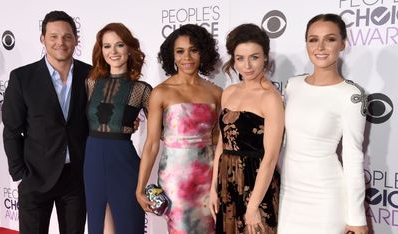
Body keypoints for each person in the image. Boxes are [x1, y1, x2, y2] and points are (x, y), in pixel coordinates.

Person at [278, 14, 368, 234]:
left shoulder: (352, 95)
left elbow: (353, 157)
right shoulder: (293, 85)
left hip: (326, 196)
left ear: (343, 44)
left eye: (330, 39)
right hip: (287, 194)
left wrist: (357, 218)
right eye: (313, 39)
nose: (320, 46)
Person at [2, 10, 91, 233]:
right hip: (35, 177)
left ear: (76, 40)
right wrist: (20, 174)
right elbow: (12, 130)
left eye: (67, 36)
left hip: (76, 179)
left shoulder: (90, 75)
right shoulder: (22, 77)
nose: (60, 42)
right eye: (53, 36)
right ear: (43, 39)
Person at [136, 24, 222, 233]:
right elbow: (152, 144)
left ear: (203, 52)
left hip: (208, 178)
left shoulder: (216, 92)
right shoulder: (161, 92)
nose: (187, 57)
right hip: (175, 180)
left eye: (194, 50)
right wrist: (140, 188)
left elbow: (220, 140)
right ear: (172, 56)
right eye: (180, 51)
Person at [209, 24, 283, 234]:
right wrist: (213, 188)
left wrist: (253, 207)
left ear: (266, 58)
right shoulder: (229, 92)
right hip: (227, 181)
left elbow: (270, 157)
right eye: (240, 58)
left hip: (257, 181)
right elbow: (223, 144)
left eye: (254, 57)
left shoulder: (271, 98)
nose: (247, 65)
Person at [84, 22, 151, 234]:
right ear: (100, 50)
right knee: (98, 225)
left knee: (128, 224)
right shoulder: (90, 83)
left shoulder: (141, 89)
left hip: (124, 161)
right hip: (92, 160)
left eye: (119, 45)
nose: (112, 52)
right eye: (106, 46)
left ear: (130, 49)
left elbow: (163, 131)